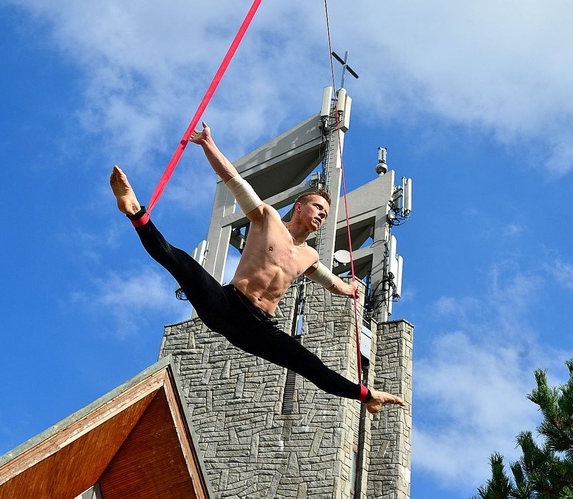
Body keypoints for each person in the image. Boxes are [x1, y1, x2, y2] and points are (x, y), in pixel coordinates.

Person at [110, 122, 404, 414]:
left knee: (309, 364)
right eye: (317, 207)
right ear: (299, 207)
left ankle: (367, 396)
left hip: (258, 327)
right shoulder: (267, 218)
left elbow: (330, 282)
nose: (322, 215)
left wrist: (350, 290)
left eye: (325, 214)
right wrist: (208, 144)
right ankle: (134, 209)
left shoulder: (310, 256)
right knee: (181, 261)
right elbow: (232, 178)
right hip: (226, 304)